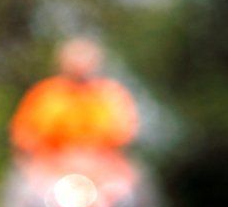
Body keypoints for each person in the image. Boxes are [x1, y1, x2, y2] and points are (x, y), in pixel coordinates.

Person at [10, 38, 139, 158]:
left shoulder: (111, 96)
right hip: (52, 165)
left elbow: (125, 134)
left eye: (86, 61)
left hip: (102, 166)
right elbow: (24, 135)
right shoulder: (45, 95)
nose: (80, 68)